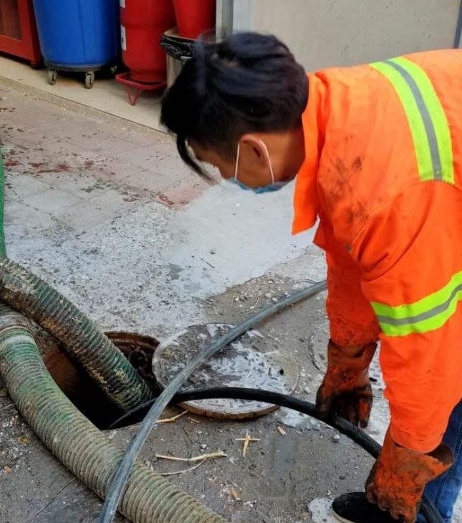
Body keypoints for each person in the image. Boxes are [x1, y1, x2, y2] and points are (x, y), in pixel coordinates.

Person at [160, 32, 462, 523]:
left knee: (445, 410)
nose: (224, 177)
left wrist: (407, 461)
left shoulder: (392, 194)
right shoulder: (337, 114)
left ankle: (422, 509)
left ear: (254, 151)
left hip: (432, 199)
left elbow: (433, 348)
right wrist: (349, 361)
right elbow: (352, 262)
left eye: (219, 165)